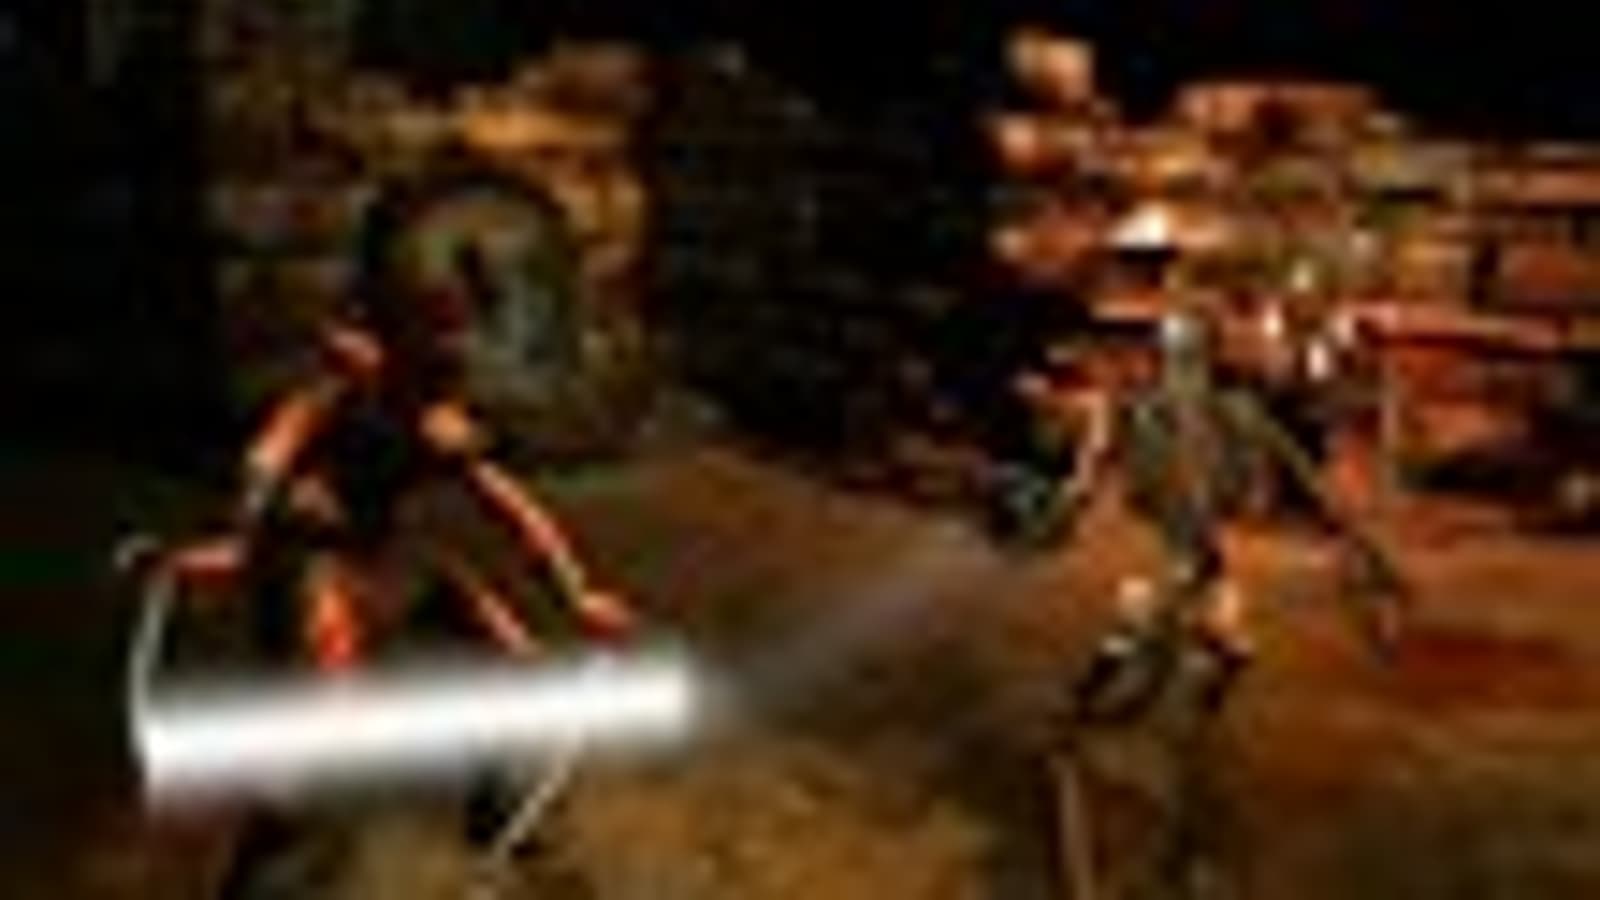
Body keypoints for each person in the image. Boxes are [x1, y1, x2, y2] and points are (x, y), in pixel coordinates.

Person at [128, 175, 636, 672]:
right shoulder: (358, 386)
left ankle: (528, 688)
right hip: (310, 555)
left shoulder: (435, 422)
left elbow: (511, 510)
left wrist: (576, 592)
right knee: (330, 636)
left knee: (470, 605)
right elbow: (277, 444)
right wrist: (241, 533)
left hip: (378, 555)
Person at [1015, 304, 1408, 722]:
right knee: (1187, 612)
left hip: (1188, 540)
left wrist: (1343, 528)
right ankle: (1172, 679)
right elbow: (1095, 466)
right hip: (1181, 536)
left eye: (1190, 358)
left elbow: (1296, 470)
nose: (1184, 372)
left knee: (1152, 614)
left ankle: (1099, 698)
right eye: (1178, 358)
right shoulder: (1150, 412)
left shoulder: (1228, 413)